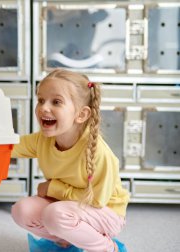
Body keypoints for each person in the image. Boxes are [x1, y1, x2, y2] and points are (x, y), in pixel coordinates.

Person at [10, 68, 130, 252]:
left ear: (81, 115)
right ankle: (68, 240)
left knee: (55, 214)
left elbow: (97, 201)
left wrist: (52, 188)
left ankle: (107, 248)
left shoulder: (98, 153)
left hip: (106, 213)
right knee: (22, 210)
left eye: (56, 102)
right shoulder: (42, 140)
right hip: (68, 208)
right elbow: (10, 147)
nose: (43, 107)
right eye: (41, 100)